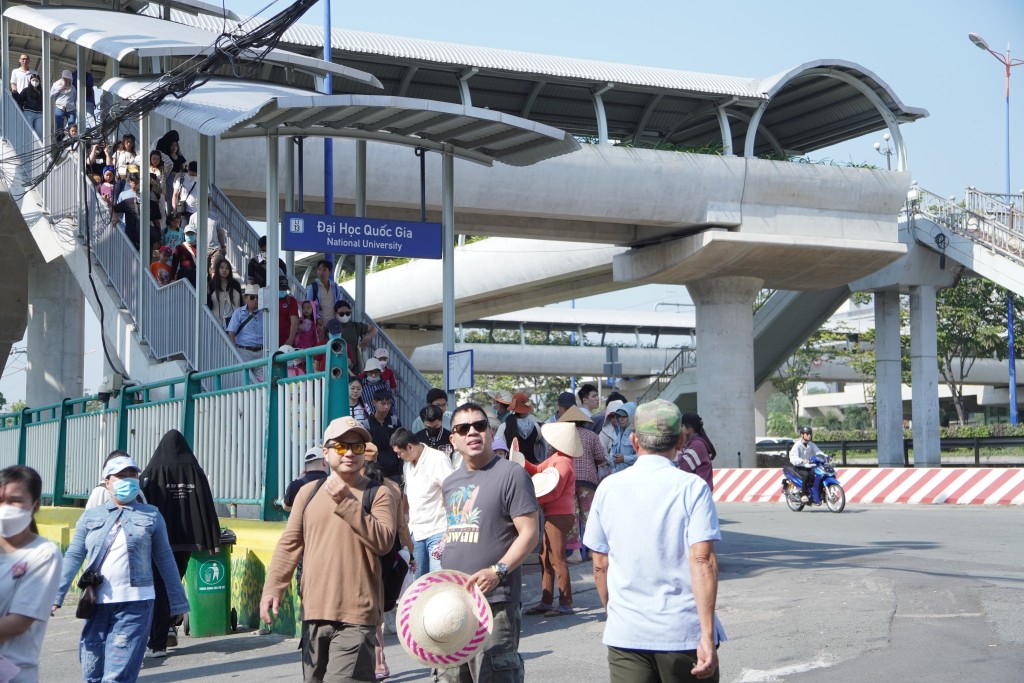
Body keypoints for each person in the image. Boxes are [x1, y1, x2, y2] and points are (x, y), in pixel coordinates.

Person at [584, 400, 726, 683]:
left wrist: (614, 613)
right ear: (680, 441)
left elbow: (600, 563)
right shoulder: (692, 488)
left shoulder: (608, 488)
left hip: (627, 634)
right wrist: (707, 636)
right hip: (681, 633)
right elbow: (702, 561)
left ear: (634, 441)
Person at [260, 416, 398, 683]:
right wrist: (273, 588)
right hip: (314, 611)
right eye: (341, 446)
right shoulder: (308, 493)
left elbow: (383, 542)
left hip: (357, 615)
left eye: (357, 447)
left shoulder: (378, 494)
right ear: (325, 452)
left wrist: (346, 501)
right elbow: (290, 544)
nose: (349, 453)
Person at [54, 453, 189, 683]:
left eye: (132, 475)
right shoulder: (90, 517)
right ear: (107, 482)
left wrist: (178, 601)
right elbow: (74, 555)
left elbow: (165, 558)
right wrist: (57, 593)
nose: (128, 480)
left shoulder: (152, 515)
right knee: (92, 669)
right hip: (96, 602)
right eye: (120, 475)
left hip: (136, 602)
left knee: (116, 674)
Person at [439, 402, 539, 683]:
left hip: (496, 601)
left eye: (479, 426)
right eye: (463, 428)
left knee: (495, 674)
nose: (472, 432)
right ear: (453, 439)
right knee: (452, 676)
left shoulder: (511, 474)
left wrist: (498, 571)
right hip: (455, 602)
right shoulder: (450, 483)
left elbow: (530, 533)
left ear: (490, 432)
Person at [140, 430, 220, 658]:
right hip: (187, 539)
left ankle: (162, 632)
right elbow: (205, 502)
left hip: (160, 539)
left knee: (160, 586)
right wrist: (211, 536)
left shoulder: (152, 471)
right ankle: (168, 624)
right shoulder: (194, 470)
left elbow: (142, 500)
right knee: (173, 581)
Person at [0, 465, 62, 683]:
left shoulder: (44, 554)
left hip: (14, 675)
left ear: (35, 505)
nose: (4, 508)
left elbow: (19, 622)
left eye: (14, 501)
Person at [523, 422, 580, 618]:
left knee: (556, 558)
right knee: (545, 557)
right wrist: (520, 459)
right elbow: (536, 469)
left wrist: (533, 500)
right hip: (555, 514)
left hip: (559, 515)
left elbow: (554, 492)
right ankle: (547, 601)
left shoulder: (563, 462)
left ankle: (565, 603)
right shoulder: (557, 457)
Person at [391, 428, 453, 578]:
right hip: (416, 532)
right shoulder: (407, 464)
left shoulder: (438, 459)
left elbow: (452, 492)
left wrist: (451, 527)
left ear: (410, 447)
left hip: (438, 529)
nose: (398, 456)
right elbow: (407, 495)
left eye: (400, 453)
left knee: (438, 580)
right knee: (418, 582)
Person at [555, 405, 607, 560]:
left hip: (567, 480)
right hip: (588, 481)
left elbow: (551, 455)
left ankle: (575, 552)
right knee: (589, 515)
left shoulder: (561, 436)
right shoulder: (592, 436)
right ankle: (593, 550)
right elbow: (601, 458)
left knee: (573, 515)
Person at [364, 389, 402, 484]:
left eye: (389, 404)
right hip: (376, 471)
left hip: (394, 470)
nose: (386, 407)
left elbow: (401, 445)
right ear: (374, 403)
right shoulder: (367, 424)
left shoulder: (394, 422)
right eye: (383, 403)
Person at [331, 299, 376, 376]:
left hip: (354, 367)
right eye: (341, 314)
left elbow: (374, 329)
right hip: (336, 367)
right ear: (335, 314)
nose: (345, 316)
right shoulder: (331, 327)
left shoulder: (355, 326)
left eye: (347, 313)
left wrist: (366, 339)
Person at [497, 392, 542, 465]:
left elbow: (499, 448)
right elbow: (540, 443)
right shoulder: (536, 426)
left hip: (511, 466)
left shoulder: (503, 427)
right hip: (532, 465)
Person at [677, 412, 717, 492]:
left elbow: (682, 467)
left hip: (699, 493)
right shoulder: (693, 443)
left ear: (690, 428)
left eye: (682, 426)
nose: (680, 429)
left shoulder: (697, 445)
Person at [281, 447, 330, 512]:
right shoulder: (333, 483)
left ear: (305, 467)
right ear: (324, 462)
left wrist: (297, 480)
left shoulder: (295, 485)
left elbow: (286, 507)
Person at [227, 284, 265, 366]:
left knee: (263, 375)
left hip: (261, 352)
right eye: (252, 297)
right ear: (245, 299)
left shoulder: (264, 313)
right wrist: (234, 351)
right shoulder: (238, 313)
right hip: (243, 352)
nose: (255, 300)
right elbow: (231, 333)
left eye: (258, 297)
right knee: (244, 374)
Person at [788, 426, 824, 503]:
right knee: (806, 475)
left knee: (818, 474)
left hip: (809, 466)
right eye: (807, 434)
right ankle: (803, 494)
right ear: (802, 435)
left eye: (810, 434)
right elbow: (793, 458)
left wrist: (826, 457)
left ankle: (816, 492)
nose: (809, 435)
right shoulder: (797, 445)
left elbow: (819, 452)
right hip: (799, 467)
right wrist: (801, 460)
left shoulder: (811, 444)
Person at [603, 402, 637, 474]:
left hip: (631, 475)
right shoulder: (619, 434)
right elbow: (615, 456)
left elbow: (643, 456)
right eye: (619, 416)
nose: (621, 419)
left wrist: (625, 459)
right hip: (618, 474)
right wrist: (607, 462)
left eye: (624, 416)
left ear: (631, 416)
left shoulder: (637, 434)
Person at [305, 259, 342, 323]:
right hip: (318, 324)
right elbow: (308, 305)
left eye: (324, 270)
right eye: (319, 269)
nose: (321, 272)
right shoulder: (313, 287)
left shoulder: (335, 287)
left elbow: (339, 304)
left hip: (333, 323)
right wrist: (317, 318)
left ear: (330, 272)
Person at [208, 257, 243, 327]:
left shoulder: (235, 284)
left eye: (227, 268)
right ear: (217, 269)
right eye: (221, 268)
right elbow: (209, 305)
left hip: (234, 319)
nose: (224, 270)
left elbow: (241, 302)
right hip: (216, 321)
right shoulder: (212, 285)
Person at [113, 173, 141, 251]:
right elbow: (118, 210)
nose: (134, 183)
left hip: (139, 226)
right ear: (130, 181)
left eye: (136, 181)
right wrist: (117, 220)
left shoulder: (143, 195)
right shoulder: (123, 194)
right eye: (132, 181)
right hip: (126, 225)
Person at [13, 73, 43, 139]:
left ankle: (39, 145)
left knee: (39, 134)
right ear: (30, 81)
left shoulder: (42, 92)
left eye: (36, 81)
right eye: (33, 80)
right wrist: (15, 93)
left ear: (39, 82)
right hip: (29, 113)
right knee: (28, 132)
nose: (35, 82)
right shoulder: (26, 90)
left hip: (39, 114)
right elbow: (20, 98)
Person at [277, 276, 299, 348]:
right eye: (280, 288)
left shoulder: (291, 301)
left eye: (284, 289)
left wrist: (290, 339)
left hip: (286, 342)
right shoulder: (269, 300)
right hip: (270, 342)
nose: (282, 291)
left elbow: (294, 320)